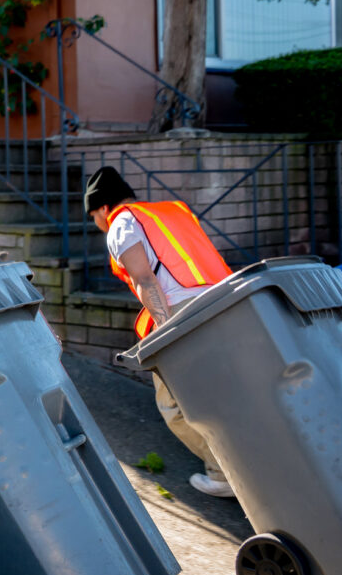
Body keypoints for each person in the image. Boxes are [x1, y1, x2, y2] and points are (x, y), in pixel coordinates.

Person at [84, 166, 235, 498]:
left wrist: (166, 334)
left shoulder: (120, 224)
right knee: (224, 392)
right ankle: (258, 462)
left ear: (104, 208)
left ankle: (225, 474)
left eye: (93, 214)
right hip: (225, 302)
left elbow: (144, 278)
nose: (96, 221)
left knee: (176, 403)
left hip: (180, 311)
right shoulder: (171, 212)